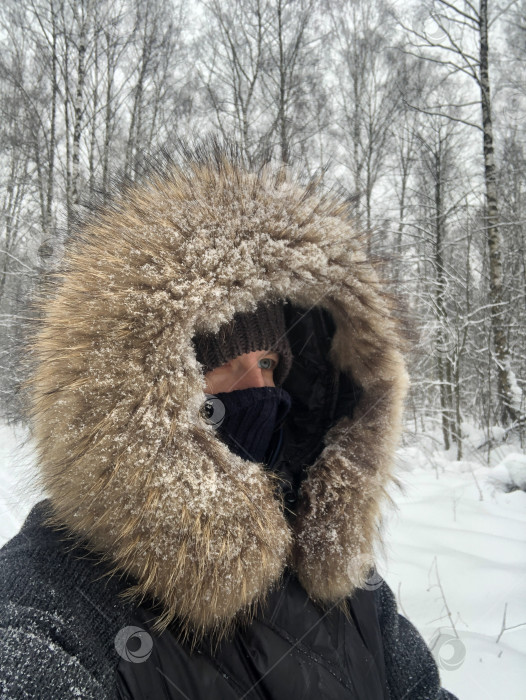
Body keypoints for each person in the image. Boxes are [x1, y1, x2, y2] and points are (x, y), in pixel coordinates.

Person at [0, 142, 459, 699]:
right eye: (224, 366)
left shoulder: (344, 583)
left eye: (268, 364)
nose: (259, 390)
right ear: (146, 388)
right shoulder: (48, 604)